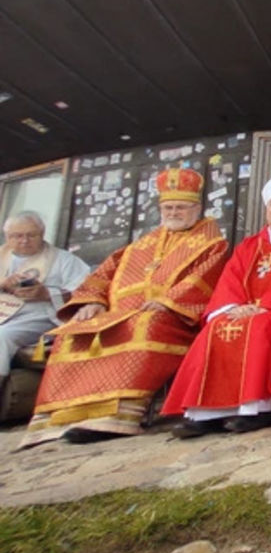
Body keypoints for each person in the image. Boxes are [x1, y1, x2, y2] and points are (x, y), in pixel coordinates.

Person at [21, 168, 228, 447]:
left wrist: (168, 301)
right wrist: (93, 301)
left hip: (171, 317)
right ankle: (60, 417)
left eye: (181, 207)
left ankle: (116, 416)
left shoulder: (211, 244)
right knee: (72, 333)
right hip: (116, 313)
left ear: (197, 208)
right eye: (168, 207)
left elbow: (201, 280)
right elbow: (101, 275)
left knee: (143, 325)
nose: (174, 212)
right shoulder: (140, 245)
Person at [164, 171, 271, 437]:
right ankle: (203, 414)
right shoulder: (248, 245)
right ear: (266, 208)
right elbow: (230, 280)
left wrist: (264, 305)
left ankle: (256, 411)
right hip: (244, 309)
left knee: (259, 326)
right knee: (216, 327)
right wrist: (232, 307)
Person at [1, 211, 90, 391]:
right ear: (7, 237)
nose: (24, 241)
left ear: (42, 234)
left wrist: (47, 293)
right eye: (17, 236)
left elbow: (87, 292)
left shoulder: (64, 260)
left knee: (2, 336)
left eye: (31, 235)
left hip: (38, 316)